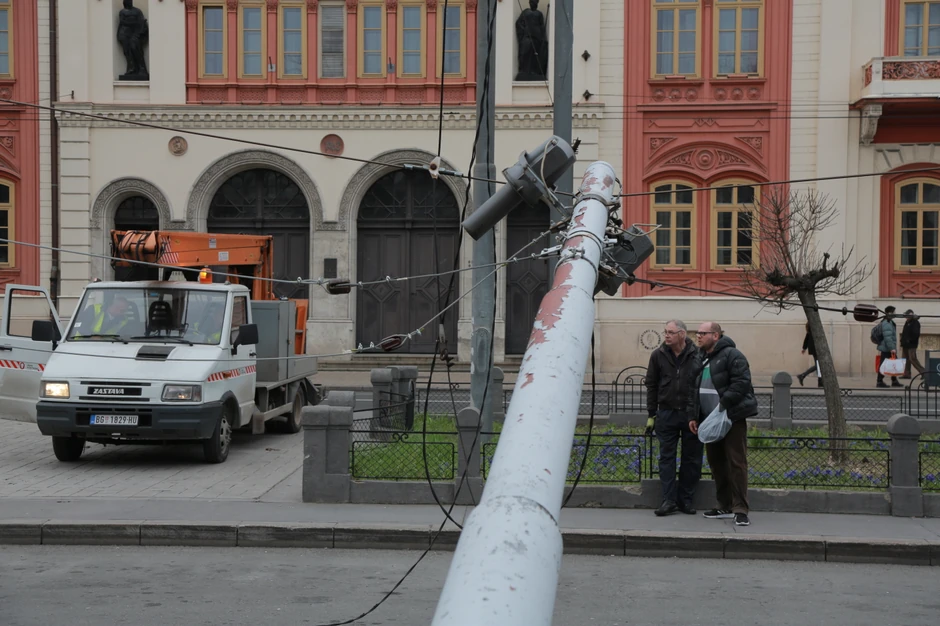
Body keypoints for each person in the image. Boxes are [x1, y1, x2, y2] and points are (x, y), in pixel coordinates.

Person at [688, 322, 758, 527]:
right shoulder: (701, 357)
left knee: (736, 462)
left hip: (731, 418)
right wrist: (693, 416)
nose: (698, 336)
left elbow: (741, 383)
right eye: (698, 333)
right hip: (709, 420)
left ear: (716, 335)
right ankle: (725, 505)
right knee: (717, 464)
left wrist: (723, 406)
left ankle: (740, 509)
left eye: (703, 333)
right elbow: (694, 389)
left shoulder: (733, 355)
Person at [645, 320, 702, 517]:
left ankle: (685, 500)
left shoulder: (697, 355)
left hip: (690, 415)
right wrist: (652, 414)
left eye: (670, 332)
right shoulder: (658, 355)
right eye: (665, 332)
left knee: (691, 458)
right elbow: (651, 385)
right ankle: (668, 500)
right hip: (666, 413)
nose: (666, 335)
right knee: (666, 458)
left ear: (682, 334)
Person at [876, 306, 901, 388]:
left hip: (887, 348)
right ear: (889, 313)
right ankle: (879, 381)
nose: (895, 313)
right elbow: (888, 337)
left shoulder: (888, 322)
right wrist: (892, 348)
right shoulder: (886, 323)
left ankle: (894, 380)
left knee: (894, 364)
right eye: (894, 312)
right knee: (884, 365)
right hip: (887, 348)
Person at [900, 309, 925, 380]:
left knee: (912, 359)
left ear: (911, 316)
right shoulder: (907, 322)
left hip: (911, 345)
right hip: (905, 344)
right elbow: (904, 332)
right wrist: (902, 340)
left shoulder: (915, 323)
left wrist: (909, 340)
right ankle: (906, 374)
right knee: (905, 360)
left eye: (907, 316)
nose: (906, 318)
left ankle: (923, 372)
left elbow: (916, 334)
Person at [796, 322, 823, 388]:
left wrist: (804, 348)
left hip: (813, 349)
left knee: (819, 365)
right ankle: (803, 375)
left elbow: (806, 339)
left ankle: (820, 382)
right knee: (818, 365)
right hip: (816, 349)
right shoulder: (814, 330)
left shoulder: (810, 330)